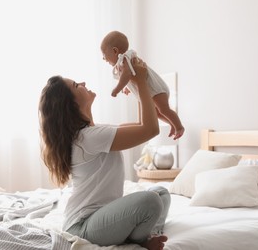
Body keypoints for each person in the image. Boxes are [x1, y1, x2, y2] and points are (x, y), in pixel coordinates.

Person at [39, 58, 170, 250]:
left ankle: (141, 235)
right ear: (72, 105)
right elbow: (150, 130)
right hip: (83, 225)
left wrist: (135, 86)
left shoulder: (93, 133)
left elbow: (143, 126)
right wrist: (141, 82)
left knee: (160, 193)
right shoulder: (88, 138)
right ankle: (141, 238)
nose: (83, 83)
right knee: (150, 201)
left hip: (100, 219)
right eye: (77, 85)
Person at [100, 30, 185, 140]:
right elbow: (133, 76)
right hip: (151, 93)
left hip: (157, 89)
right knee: (158, 114)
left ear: (115, 51)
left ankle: (179, 127)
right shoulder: (123, 62)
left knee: (164, 110)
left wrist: (117, 89)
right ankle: (172, 124)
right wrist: (127, 88)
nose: (103, 58)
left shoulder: (125, 58)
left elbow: (126, 75)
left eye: (104, 55)